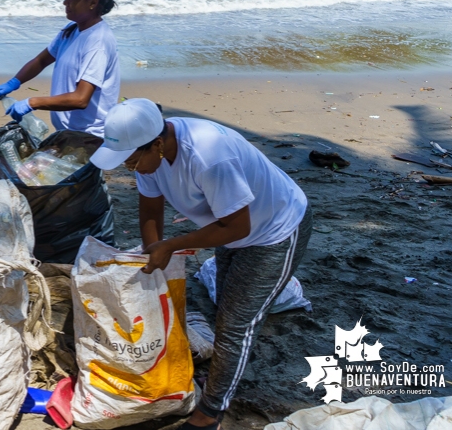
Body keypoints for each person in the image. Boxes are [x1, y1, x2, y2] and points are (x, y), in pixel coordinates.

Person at [90, 99, 312, 430]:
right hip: (229, 228)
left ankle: (210, 412)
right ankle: (223, 372)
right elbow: (151, 210)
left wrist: (173, 245)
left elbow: (238, 227)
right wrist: (154, 252)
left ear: (157, 145)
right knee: (226, 306)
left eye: (132, 161)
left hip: (274, 229)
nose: (129, 168)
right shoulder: (152, 155)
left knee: (236, 324)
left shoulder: (209, 157)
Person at [0, 0, 120, 139]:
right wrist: (14, 82)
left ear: (93, 2)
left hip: (89, 138)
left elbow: (81, 99)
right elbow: (41, 61)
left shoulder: (98, 42)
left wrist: (32, 103)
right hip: (67, 133)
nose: (65, 3)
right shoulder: (72, 29)